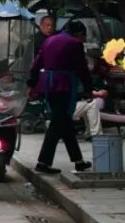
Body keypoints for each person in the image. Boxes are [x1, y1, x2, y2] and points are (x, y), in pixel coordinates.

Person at [28, 20, 93, 174]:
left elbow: (37, 63)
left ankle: (78, 161)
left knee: (64, 122)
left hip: (47, 85)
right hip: (63, 86)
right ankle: (43, 162)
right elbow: (82, 68)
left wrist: (31, 84)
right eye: (84, 37)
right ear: (79, 33)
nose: (83, 40)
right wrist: (88, 88)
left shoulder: (49, 40)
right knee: (58, 123)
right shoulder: (75, 44)